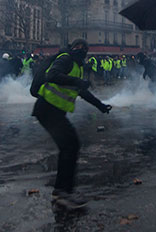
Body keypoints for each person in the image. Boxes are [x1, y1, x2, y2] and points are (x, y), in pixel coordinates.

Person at [32, 39, 112, 210]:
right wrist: (77, 82)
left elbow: (82, 92)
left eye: (85, 48)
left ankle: (62, 191)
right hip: (47, 108)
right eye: (78, 46)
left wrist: (101, 106)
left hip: (52, 111)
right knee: (71, 146)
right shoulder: (66, 58)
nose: (81, 50)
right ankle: (63, 192)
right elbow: (52, 75)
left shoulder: (78, 67)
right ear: (72, 47)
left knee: (69, 146)